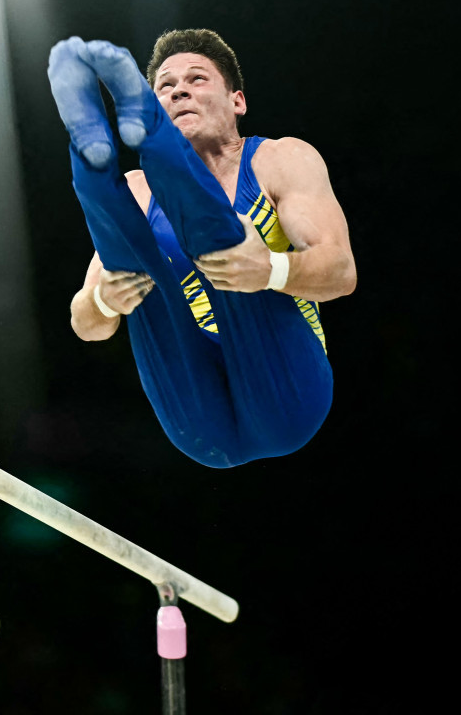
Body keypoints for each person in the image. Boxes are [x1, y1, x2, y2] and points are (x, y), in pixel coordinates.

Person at [49, 29, 357, 467]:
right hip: (199, 426)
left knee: (224, 248)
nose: (179, 91)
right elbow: (86, 324)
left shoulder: (280, 160)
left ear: (237, 101)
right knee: (132, 272)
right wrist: (103, 300)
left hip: (288, 396)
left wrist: (270, 270)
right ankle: (87, 146)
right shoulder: (137, 190)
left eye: (196, 79)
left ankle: (152, 138)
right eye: (165, 87)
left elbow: (341, 273)